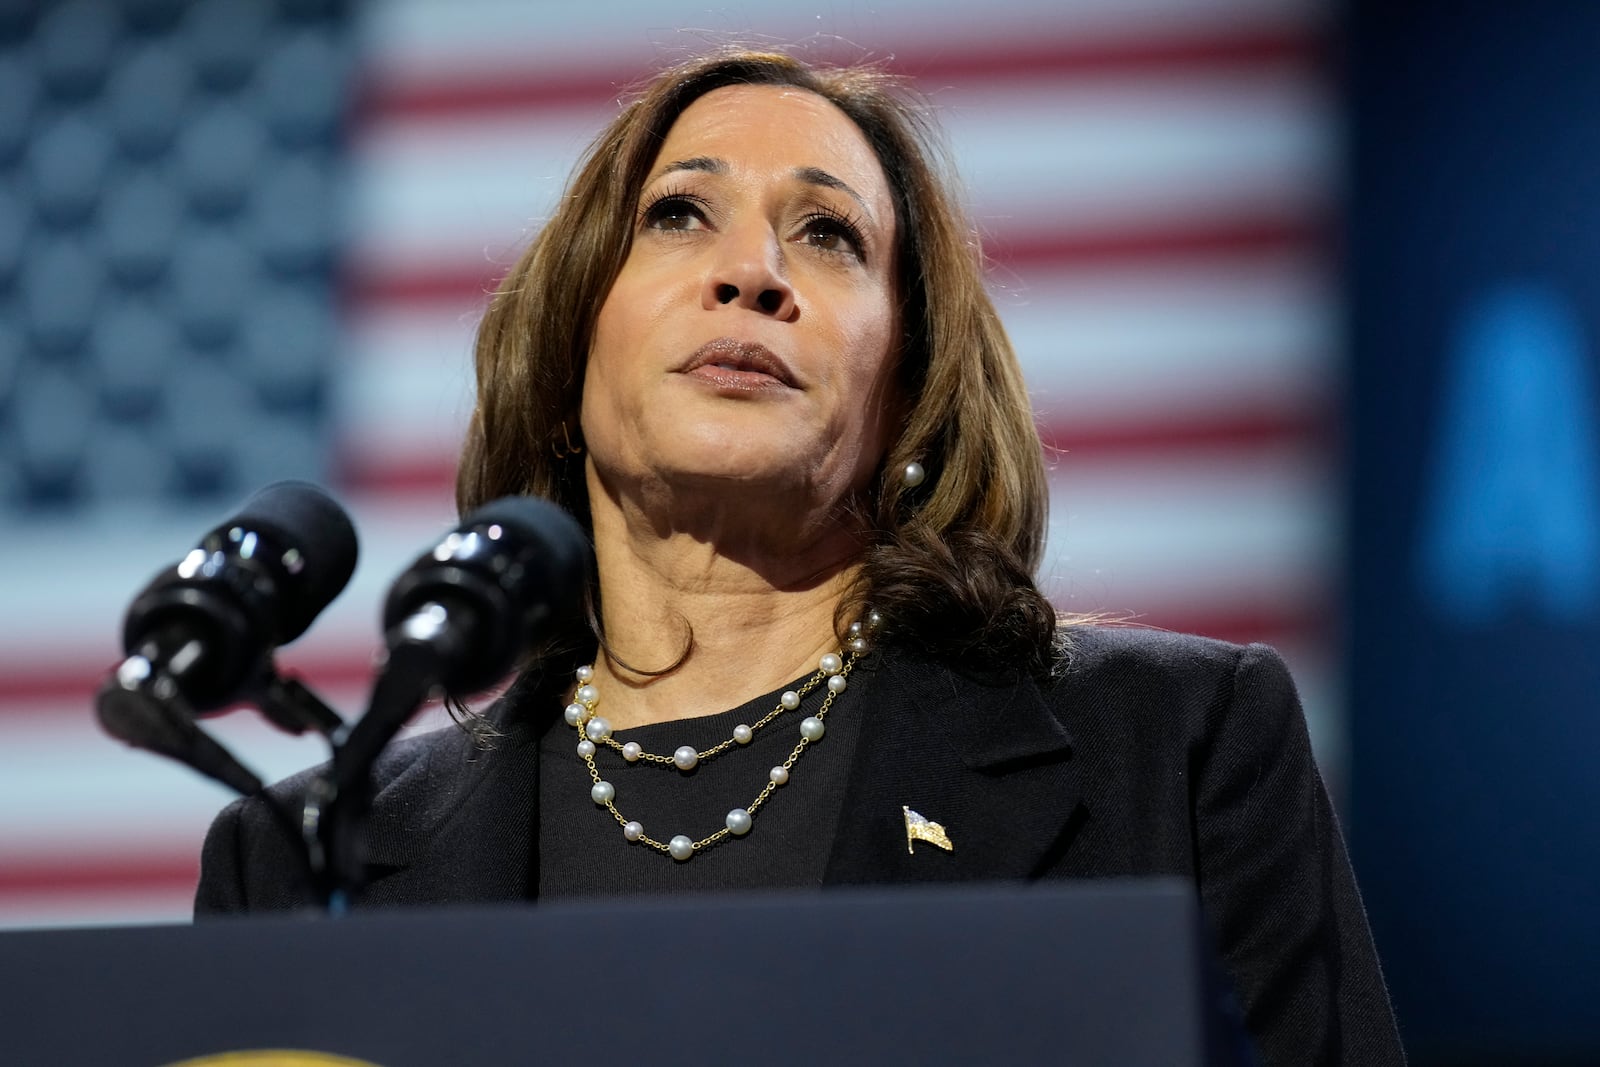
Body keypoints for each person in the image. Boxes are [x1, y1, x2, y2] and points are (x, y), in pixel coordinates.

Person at [197, 48, 1405, 1065]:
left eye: (828, 234)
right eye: (679, 213)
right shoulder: (303, 860)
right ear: (569, 353)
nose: (751, 273)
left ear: (907, 390)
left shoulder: (1173, 748)